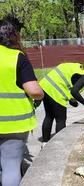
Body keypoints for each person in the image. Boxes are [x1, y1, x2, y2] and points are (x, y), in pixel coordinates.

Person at [0, 16, 44, 186]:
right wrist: (41, 94)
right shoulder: (16, 57)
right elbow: (34, 91)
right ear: (14, 35)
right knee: (10, 167)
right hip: (14, 124)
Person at [39, 61, 84, 145]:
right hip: (56, 92)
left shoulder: (80, 68)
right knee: (61, 120)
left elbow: (69, 81)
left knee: (49, 116)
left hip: (45, 86)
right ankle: (59, 145)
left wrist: (71, 99)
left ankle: (44, 143)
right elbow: (74, 91)